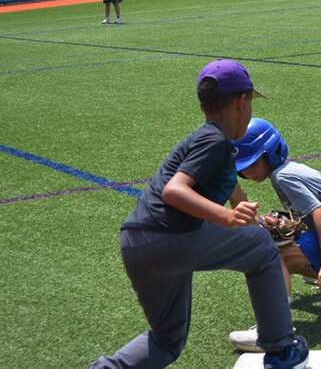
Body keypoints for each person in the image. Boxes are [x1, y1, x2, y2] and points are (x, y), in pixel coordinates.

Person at [89, 61, 309, 369]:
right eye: (250, 104)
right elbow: (175, 191)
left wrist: (261, 221)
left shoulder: (214, 145)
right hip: (170, 237)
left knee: (167, 340)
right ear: (241, 102)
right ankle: (282, 350)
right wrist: (226, 217)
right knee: (261, 250)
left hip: (136, 245)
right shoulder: (214, 139)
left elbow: (234, 201)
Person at [228, 118, 321, 352]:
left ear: (270, 153)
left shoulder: (283, 177)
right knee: (275, 244)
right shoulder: (286, 171)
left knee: (274, 257)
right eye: (242, 168)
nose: (247, 171)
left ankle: (274, 332)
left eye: (252, 162)